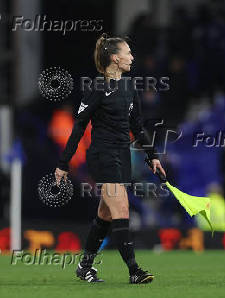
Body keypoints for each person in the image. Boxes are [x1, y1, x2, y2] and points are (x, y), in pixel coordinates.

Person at [54, 33, 166, 284]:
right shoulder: (97, 88)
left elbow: (137, 126)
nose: (132, 56)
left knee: (106, 213)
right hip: (102, 155)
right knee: (122, 207)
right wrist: (63, 163)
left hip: (122, 155)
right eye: (127, 52)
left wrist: (152, 156)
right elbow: (79, 127)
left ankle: (85, 266)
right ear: (115, 59)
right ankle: (134, 270)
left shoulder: (128, 87)